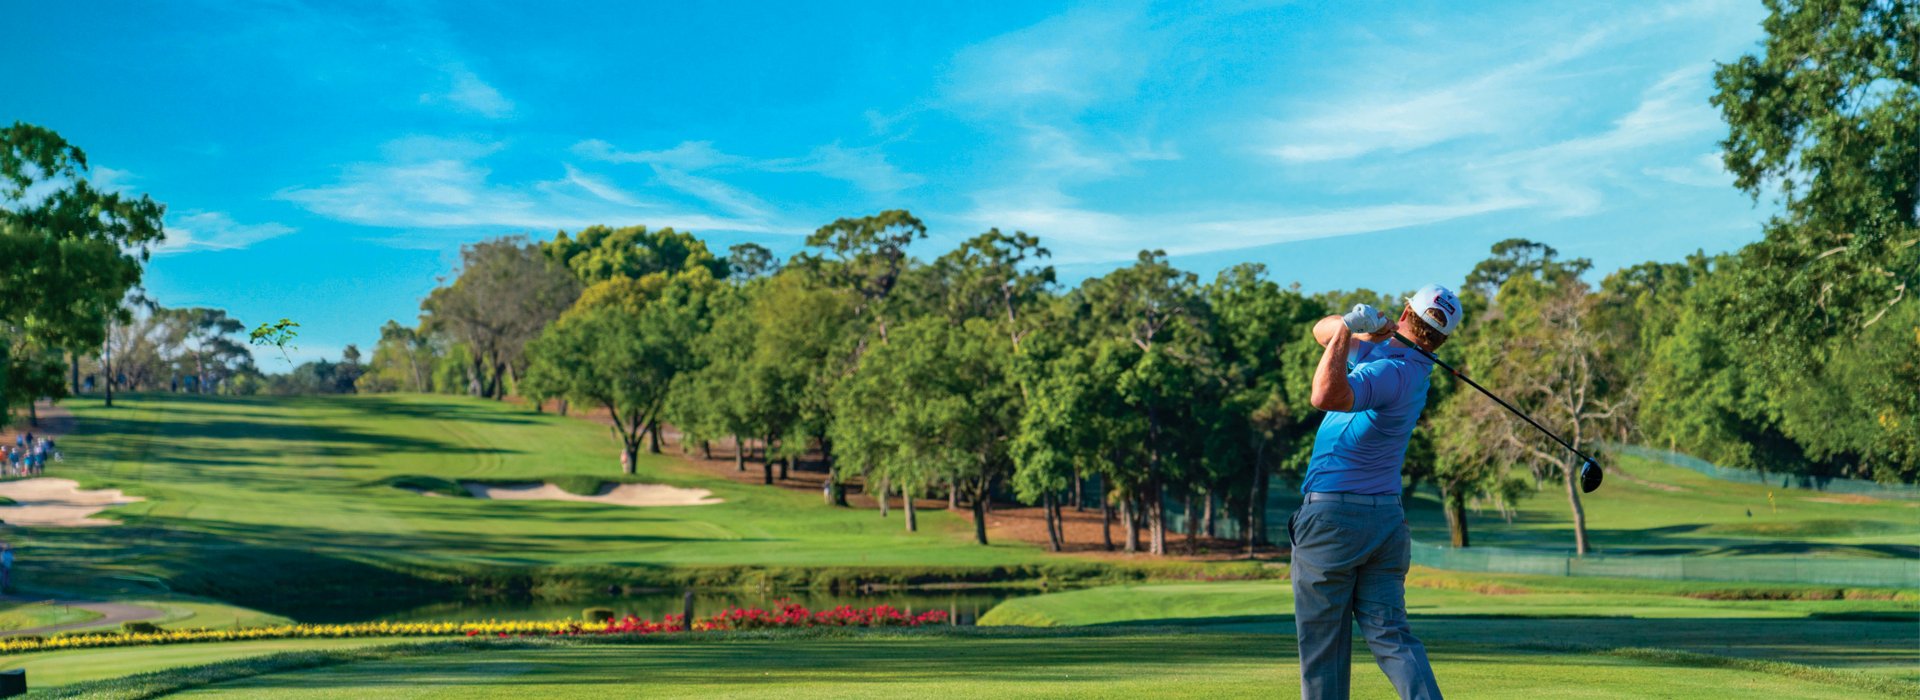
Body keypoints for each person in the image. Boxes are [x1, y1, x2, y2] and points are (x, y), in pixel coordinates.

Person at [1289, 283, 1462, 700]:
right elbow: (1320, 331)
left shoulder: (1391, 372)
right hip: (1384, 522)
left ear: (1406, 312)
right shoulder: (1406, 363)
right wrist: (1360, 330)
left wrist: (1351, 325)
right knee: (1391, 638)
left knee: (1323, 647)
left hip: (1334, 521)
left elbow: (1324, 395)